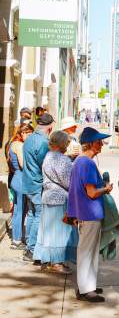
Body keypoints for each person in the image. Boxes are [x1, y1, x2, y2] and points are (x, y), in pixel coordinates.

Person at [67, 127, 113, 303]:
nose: (101, 144)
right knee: (87, 251)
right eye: (99, 141)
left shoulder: (80, 161)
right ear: (91, 143)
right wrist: (106, 189)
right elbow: (92, 193)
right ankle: (86, 289)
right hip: (90, 212)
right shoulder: (87, 163)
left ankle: (88, 286)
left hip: (84, 212)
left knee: (88, 250)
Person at [34, 131, 78, 274]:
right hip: (59, 198)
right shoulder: (62, 159)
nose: (67, 145)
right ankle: (57, 262)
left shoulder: (48, 156)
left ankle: (48, 259)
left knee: (49, 231)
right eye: (66, 143)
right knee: (60, 233)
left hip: (48, 196)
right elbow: (67, 182)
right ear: (60, 144)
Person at [22, 112, 55, 263]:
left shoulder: (29, 139)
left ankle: (29, 245)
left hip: (28, 182)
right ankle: (31, 249)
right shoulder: (42, 142)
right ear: (49, 127)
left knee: (31, 213)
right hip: (36, 183)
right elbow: (45, 164)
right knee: (38, 215)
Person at [6, 123, 34, 249]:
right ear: (22, 133)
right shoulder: (20, 145)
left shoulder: (12, 144)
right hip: (21, 178)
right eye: (29, 134)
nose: (30, 136)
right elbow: (23, 164)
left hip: (16, 178)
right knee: (20, 211)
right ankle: (17, 239)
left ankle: (17, 237)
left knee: (18, 210)